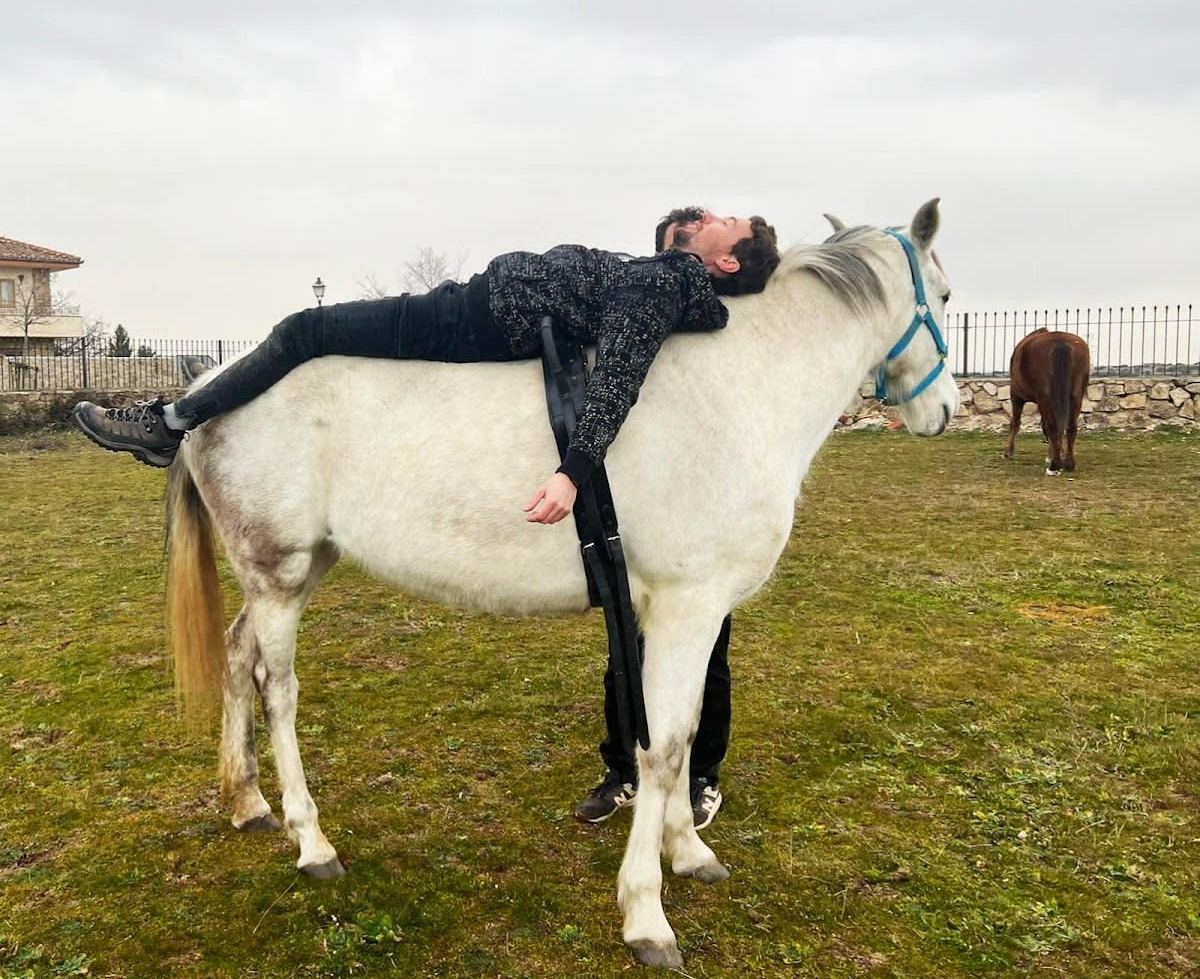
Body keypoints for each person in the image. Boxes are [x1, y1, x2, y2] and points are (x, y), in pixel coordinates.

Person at [73, 205, 779, 824]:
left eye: (725, 222)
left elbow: (618, 377)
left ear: (723, 261)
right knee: (308, 333)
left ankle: (168, 423)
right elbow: (662, 265)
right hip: (485, 303)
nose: (710, 214)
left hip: (473, 317)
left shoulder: (666, 285)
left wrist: (573, 471)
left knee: (304, 330)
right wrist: (681, 235)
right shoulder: (663, 272)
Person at [573, 210, 742, 833]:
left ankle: (700, 776)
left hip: (703, 510)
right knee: (627, 646)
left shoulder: (715, 327)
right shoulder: (643, 312)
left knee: (704, 650)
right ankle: (621, 769)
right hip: (643, 502)